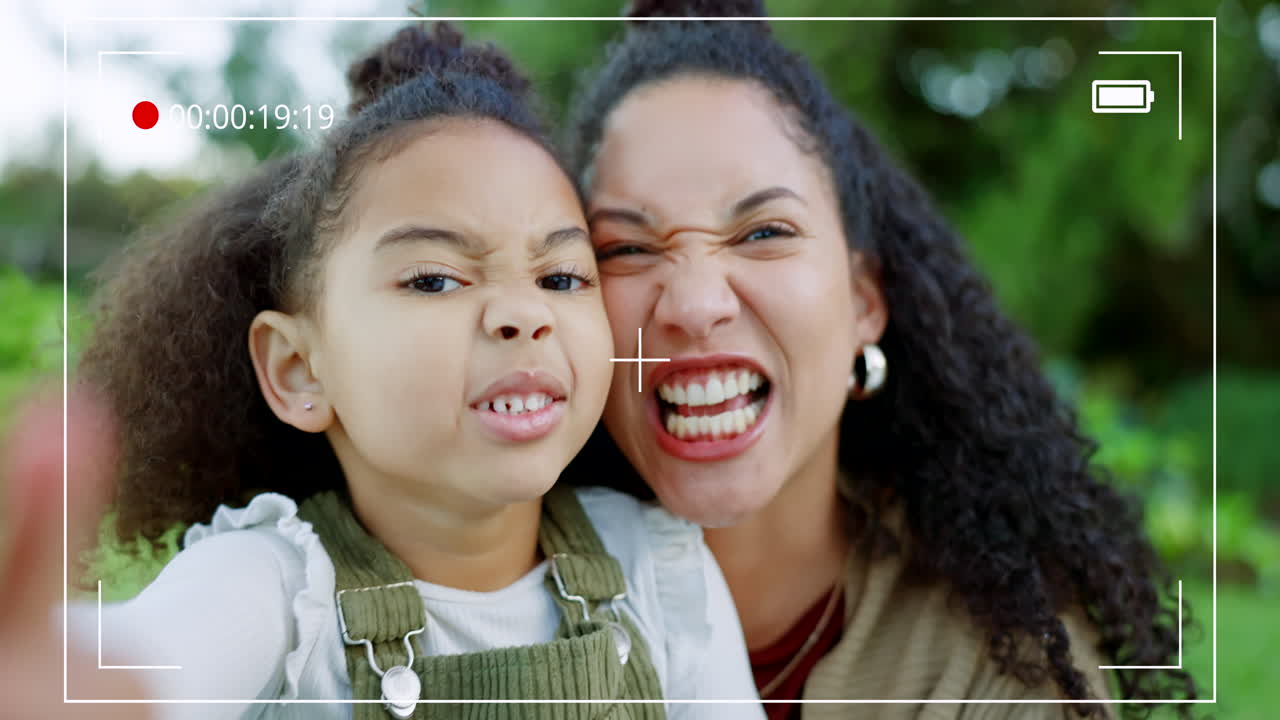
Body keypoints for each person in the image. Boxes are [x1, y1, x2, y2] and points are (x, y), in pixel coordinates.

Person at [0, 23, 761, 720]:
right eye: (435, 280)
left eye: (560, 277)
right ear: (299, 369)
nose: (522, 313)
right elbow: (142, 662)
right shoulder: (274, 589)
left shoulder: (657, 564)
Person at [560, 2, 1197, 718]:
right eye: (627, 248)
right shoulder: (488, 603)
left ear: (863, 302)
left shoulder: (1000, 663)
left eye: (764, 232)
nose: (696, 302)